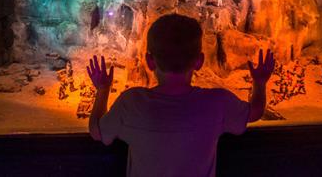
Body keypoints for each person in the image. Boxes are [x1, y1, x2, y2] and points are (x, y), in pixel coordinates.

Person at [87, 14, 275, 177]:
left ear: (150, 62)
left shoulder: (131, 102)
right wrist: (259, 82)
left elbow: (97, 131)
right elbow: (255, 112)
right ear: (199, 61)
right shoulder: (217, 101)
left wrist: (103, 90)